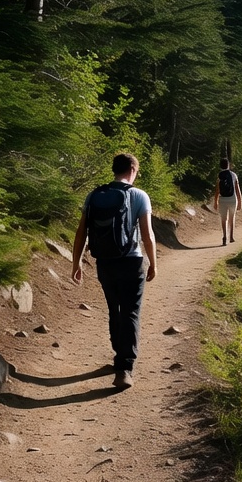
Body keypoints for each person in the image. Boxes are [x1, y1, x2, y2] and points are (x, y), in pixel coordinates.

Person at [71, 153, 157, 389]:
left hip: (105, 262)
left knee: (114, 308)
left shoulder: (95, 195)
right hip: (131, 261)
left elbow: (81, 232)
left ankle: (118, 354)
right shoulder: (139, 196)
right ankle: (124, 368)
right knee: (130, 312)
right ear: (132, 169)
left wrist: (76, 262)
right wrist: (154, 263)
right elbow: (147, 235)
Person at [212, 157, 242, 246]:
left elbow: (217, 190)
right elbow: (237, 189)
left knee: (223, 219)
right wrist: (240, 201)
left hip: (222, 199)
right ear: (228, 165)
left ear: (220, 166)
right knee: (231, 218)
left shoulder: (219, 175)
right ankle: (231, 237)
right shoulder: (233, 175)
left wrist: (215, 201)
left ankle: (225, 236)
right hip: (232, 199)